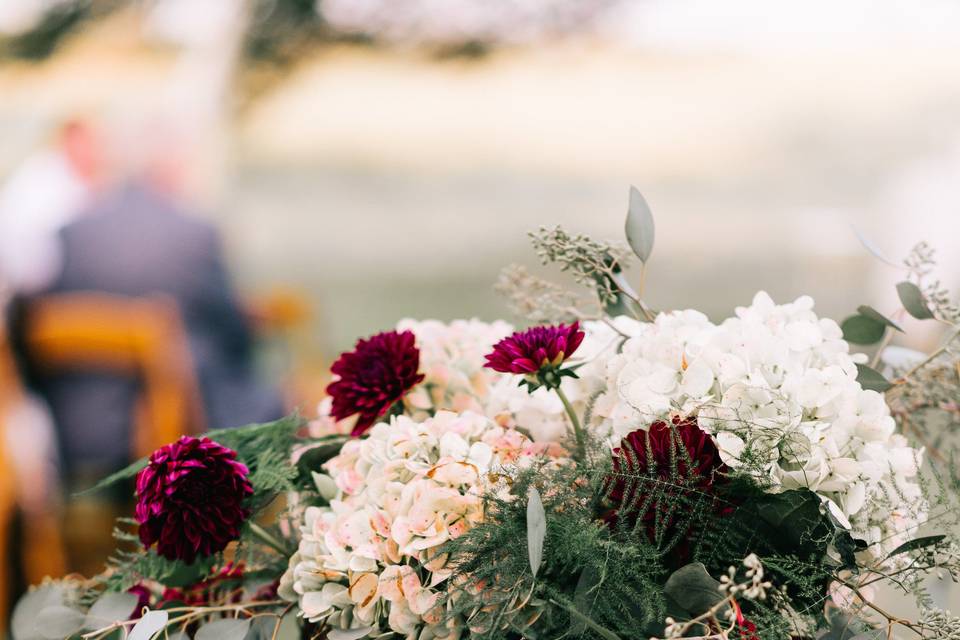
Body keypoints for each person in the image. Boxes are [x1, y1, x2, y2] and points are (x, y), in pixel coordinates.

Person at [0, 119, 103, 294]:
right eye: (84, 143)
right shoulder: (44, 177)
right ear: (66, 142)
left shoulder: (78, 181)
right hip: (34, 280)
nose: (91, 151)